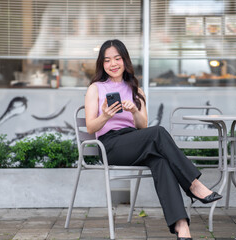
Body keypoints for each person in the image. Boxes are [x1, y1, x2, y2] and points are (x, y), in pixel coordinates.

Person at [84, 39, 222, 240]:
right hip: (110, 145)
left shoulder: (136, 90)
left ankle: (182, 227)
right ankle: (193, 185)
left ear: (125, 61)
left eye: (117, 58)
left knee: (161, 162)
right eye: (107, 60)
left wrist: (133, 110)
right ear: (102, 64)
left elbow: (142, 127)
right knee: (158, 132)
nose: (112, 64)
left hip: (133, 141)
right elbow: (90, 127)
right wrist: (105, 115)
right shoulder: (95, 88)